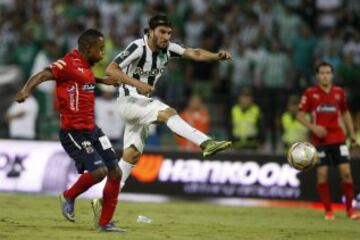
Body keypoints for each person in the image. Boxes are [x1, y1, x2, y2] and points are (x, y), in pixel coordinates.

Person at [103, 14, 232, 194]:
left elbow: (195, 53)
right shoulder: (138, 47)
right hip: (129, 101)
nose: (166, 37)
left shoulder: (169, 49)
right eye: (162, 32)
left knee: (131, 155)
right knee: (167, 111)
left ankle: (102, 200)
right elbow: (110, 69)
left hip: (142, 106)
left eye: (169, 33)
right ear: (150, 32)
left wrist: (216, 56)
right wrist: (137, 83)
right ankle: (206, 143)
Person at [15, 29, 124, 232]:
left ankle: (105, 223)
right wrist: (26, 90)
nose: (103, 54)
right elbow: (43, 74)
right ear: (87, 48)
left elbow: (85, 78)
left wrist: (102, 81)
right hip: (73, 132)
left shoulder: (87, 66)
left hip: (93, 129)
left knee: (116, 172)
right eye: (100, 50)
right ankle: (69, 195)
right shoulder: (67, 63)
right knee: (99, 171)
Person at [297, 61, 359, 220]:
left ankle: (350, 211)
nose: (325, 75)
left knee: (346, 173)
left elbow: (345, 113)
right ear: (317, 75)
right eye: (322, 73)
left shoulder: (339, 92)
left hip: (338, 138)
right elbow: (299, 115)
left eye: (327, 73)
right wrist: (314, 127)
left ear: (332, 75)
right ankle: (328, 211)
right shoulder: (310, 93)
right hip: (320, 141)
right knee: (322, 175)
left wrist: (352, 133)